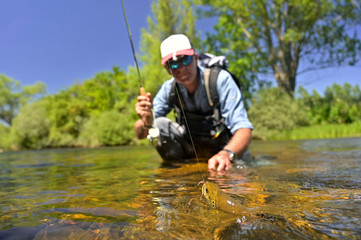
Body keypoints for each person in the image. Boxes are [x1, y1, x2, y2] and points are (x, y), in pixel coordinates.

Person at [134, 34, 253, 171]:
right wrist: (146, 121)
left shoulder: (220, 79)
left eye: (185, 60)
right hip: (191, 151)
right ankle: (182, 170)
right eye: (173, 64)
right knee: (157, 124)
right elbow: (140, 134)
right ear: (168, 69)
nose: (181, 68)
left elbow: (244, 129)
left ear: (195, 58)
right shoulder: (169, 89)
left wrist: (227, 154)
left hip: (225, 149)